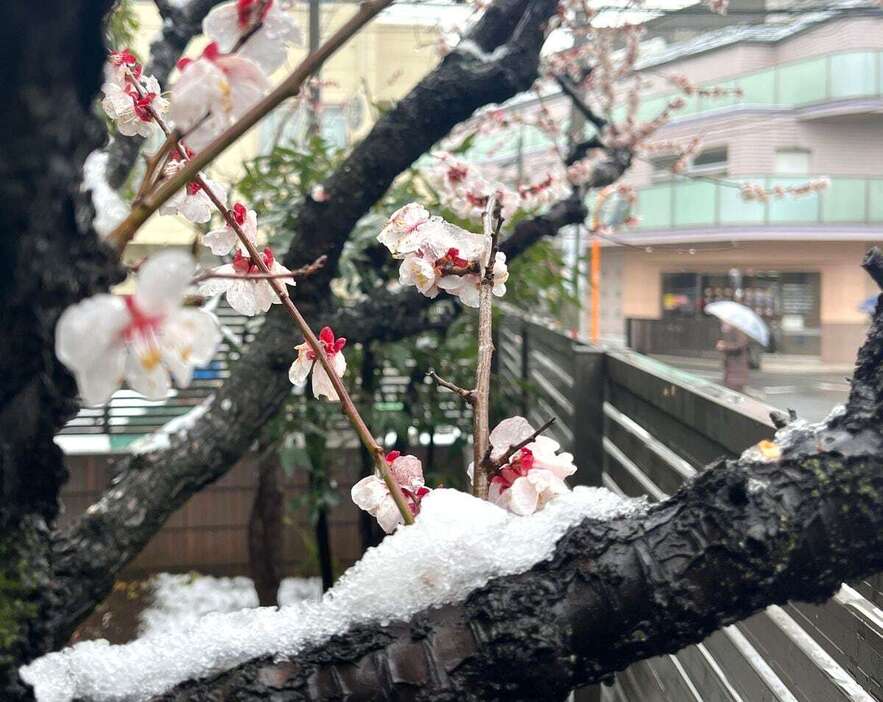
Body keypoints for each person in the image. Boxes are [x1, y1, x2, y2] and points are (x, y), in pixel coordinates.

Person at [716, 322, 749, 392]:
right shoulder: (729, 331)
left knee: (734, 392)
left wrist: (725, 346)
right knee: (730, 392)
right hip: (730, 370)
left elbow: (739, 345)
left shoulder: (739, 331)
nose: (722, 322)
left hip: (737, 370)